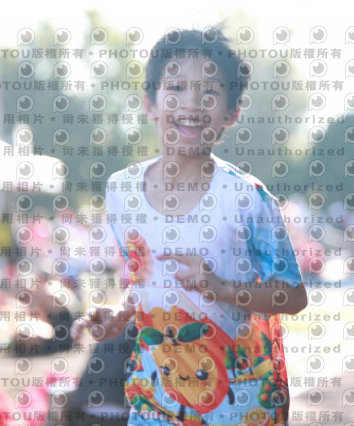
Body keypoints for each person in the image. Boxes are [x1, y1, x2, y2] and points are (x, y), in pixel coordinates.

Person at [71, 28, 307, 425]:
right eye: (177, 87)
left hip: (237, 405)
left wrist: (223, 289)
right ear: (150, 103)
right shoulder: (121, 190)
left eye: (210, 92)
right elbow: (147, 281)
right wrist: (122, 313)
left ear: (232, 113)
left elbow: (294, 295)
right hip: (156, 401)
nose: (192, 104)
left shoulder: (247, 197)